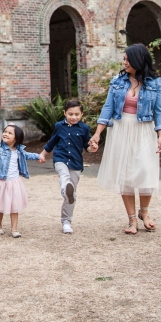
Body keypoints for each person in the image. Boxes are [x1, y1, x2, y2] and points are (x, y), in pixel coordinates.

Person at [91, 43, 161, 234]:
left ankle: (145, 212)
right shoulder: (117, 81)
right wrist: (98, 133)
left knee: (144, 170)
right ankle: (132, 220)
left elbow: (160, 111)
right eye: (124, 59)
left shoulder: (155, 83)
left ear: (138, 60)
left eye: (127, 59)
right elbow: (107, 108)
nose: (124, 62)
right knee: (124, 174)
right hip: (121, 128)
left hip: (144, 129)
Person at [39, 99, 97, 234]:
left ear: (82, 114)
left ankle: (66, 221)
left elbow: (87, 147)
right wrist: (42, 154)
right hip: (61, 158)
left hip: (76, 163)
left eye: (77, 114)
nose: (73, 117)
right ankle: (65, 189)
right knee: (64, 177)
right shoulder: (59, 126)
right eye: (70, 114)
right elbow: (51, 142)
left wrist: (92, 148)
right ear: (65, 113)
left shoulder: (84, 128)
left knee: (71, 196)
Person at [0, 124, 43, 238]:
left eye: (10, 133)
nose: (5, 134)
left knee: (15, 206)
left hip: (14, 183)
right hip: (1, 182)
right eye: (5, 131)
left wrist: (38, 156)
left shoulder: (19, 151)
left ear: (16, 138)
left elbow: (28, 155)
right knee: (0, 205)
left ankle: (14, 229)